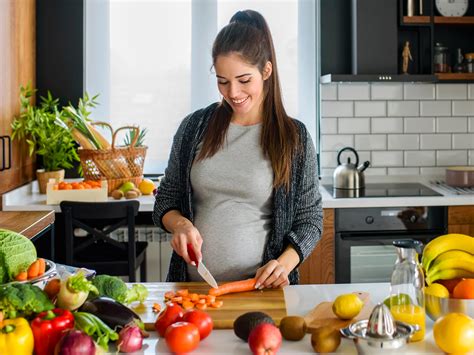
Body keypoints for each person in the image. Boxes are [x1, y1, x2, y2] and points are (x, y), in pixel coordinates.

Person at [153, 9, 323, 289]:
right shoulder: (194, 127)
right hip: (192, 290)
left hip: (261, 291)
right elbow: (166, 199)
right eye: (222, 81)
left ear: (266, 70)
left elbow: (310, 220)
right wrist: (180, 225)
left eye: (244, 80)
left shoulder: (294, 138)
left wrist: (283, 265)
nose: (233, 92)